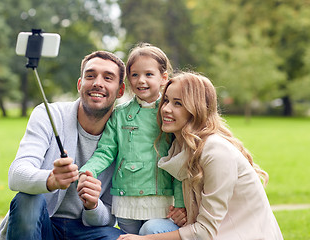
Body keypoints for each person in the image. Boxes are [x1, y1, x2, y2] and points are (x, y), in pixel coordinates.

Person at [118, 71, 283, 240]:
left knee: (150, 233)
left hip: (241, 235)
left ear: (196, 109)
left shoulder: (216, 152)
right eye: (166, 100)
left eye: (178, 104)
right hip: (215, 232)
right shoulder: (179, 147)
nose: (166, 109)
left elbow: (205, 232)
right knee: (154, 227)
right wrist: (182, 212)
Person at [0, 50, 127, 240]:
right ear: (79, 84)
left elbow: (109, 217)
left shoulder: (126, 136)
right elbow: (16, 174)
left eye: (108, 78)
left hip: (87, 231)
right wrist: (50, 180)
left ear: (120, 90)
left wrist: (93, 205)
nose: (97, 83)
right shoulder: (48, 114)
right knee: (27, 198)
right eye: (90, 76)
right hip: (43, 225)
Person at [78, 43, 186, 235]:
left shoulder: (169, 114)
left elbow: (178, 162)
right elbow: (105, 151)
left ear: (163, 78)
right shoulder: (119, 114)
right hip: (125, 198)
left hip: (161, 199)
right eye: (134, 74)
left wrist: (180, 203)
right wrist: (88, 170)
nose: (141, 80)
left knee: (151, 233)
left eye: (148, 74)